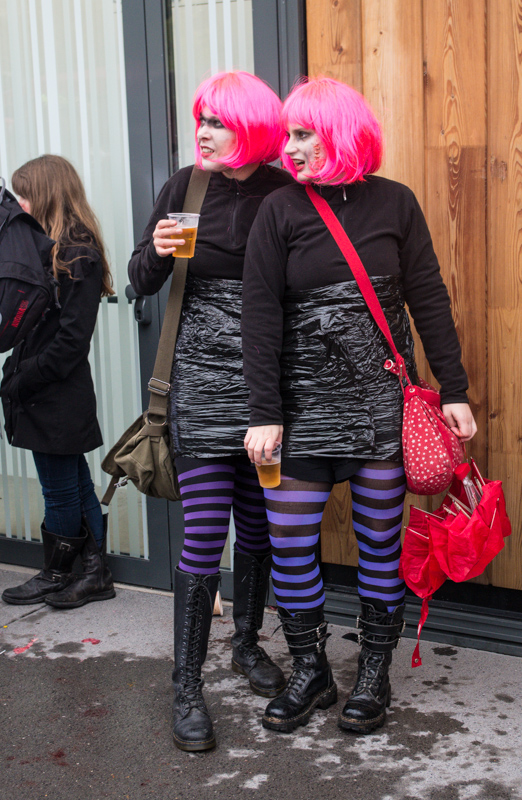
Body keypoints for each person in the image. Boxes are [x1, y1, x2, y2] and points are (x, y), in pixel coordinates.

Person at [242, 77, 477, 736]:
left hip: (380, 409)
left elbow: (428, 298)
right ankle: (311, 668)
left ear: (341, 132)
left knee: (378, 543)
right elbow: (259, 315)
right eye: (288, 134)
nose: (289, 148)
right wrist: (264, 411)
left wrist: (453, 390)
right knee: (290, 543)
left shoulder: (395, 204)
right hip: (300, 411)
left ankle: (374, 674)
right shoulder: (280, 210)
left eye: (302, 133)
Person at [128, 71, 294, 753]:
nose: (201, 131)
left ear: (251, 128)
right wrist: (156, 256)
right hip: (197, 385)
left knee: (257, 530)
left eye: (216, 122)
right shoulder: (186, 186)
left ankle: (248, 646)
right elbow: (139, 278)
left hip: (265, 391)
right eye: (200, 119)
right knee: (203, 534)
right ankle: (187, 684)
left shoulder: (288, 195)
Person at [1, 155, 115, 609]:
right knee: (73, 480)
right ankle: (94, 573)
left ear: (46, 193)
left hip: (56, 390)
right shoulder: (44, 248)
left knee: (59, 485)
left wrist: (21, 378)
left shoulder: (77, 254)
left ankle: (56, 572)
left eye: (23, 194)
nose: (19, 203)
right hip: (40, 387)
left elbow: (71, 342)